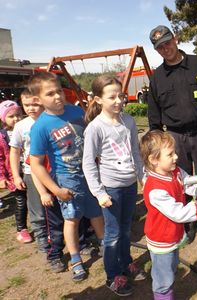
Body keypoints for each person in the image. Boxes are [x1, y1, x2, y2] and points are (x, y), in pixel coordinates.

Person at [28, 72, 104, 282]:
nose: (58, 96)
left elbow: (90, 138)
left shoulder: (75, 111)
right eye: (50, 94)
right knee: (71, 219)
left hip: (89, 174)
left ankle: (105, 245)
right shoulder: (40, 127)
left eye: (59, 91)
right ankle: (76, 258)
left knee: (96, 212)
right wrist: (55, 190)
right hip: (67, 180)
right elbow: (36, 163)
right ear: (38, 99)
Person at [139, 130, 197, 300]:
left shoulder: (176, 172)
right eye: (170, 154)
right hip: (161, 241)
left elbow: (189, 185)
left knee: (171, 269)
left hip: (173, 236)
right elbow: (178, 213)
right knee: (163, 279)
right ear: (154, 159)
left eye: (175, 152)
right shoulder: (155, 189)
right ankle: (163, 295)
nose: (176, 157)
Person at [82, 75, 147, 296]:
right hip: (110, 189)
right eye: (112, 97)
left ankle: (126, 261)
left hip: (130, 186)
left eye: (120, 95)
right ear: (98, 100)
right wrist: (99, 193)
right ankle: (113, 274)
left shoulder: (128, 121)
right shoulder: (95, 128)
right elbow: (88, 162)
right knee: (112, 234)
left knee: (126, 229)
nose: (119, 101)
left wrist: (142, 177)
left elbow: (136, 153)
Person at [148, 25, 197, 242]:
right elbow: (154, 113)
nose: (165, 48)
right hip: (175, 137)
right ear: (156, 51)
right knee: (180, 181)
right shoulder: (157, 77)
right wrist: (156, 143)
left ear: (175, 39)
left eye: (167, 43)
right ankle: (188, 221)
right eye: (160, 47)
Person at [9, 90, 49, 252]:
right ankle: (41, 237)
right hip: (30, 172)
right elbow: (15, 152)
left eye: (35, 104)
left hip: (52, 170)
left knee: (53, 206)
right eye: (27, 105)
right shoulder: (21, 126)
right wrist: (16, 175)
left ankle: (55, 234)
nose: (31, 108)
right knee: (37, 208)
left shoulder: (50, 120)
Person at [0, 100, 32, 243]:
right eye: (11, 116)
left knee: (35, 199)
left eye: (18, 115)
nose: (16, 119)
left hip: (31, 170)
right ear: (3, 118)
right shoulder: (2, 136)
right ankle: (22, 229)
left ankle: (43, 226)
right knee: (21, 201)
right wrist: (1, 177)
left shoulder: (28, 128)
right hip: (14, 174)